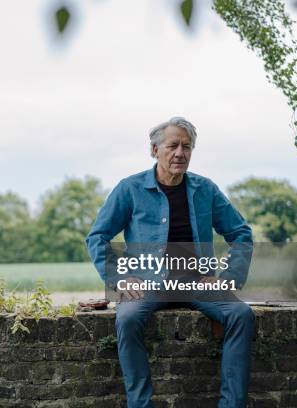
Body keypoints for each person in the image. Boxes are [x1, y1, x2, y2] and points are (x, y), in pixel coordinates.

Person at [85, 117, 255, 408]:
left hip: (196, 282)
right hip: (146, 283)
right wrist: (119, 279)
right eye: (172, 145)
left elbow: (241, 233)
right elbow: (97, 236)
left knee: (242, 315)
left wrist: (228, 276)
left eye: (186, 147)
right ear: (155, 150)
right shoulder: (130, 189)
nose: (180, 153)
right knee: (127, 319)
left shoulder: (206, 190)